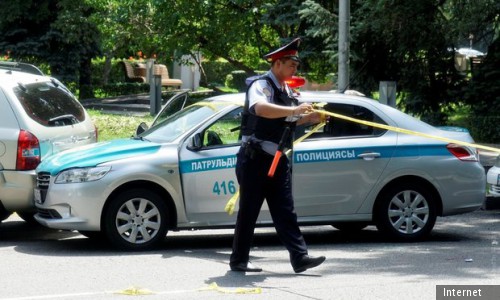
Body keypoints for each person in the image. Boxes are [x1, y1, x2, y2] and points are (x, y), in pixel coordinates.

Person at [229, 38, 326, 273]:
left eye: (296, 66)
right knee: (249, 211)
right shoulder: (261, 85)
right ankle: (239, 260)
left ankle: (299, 257)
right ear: (278, 63)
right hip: (255, 158)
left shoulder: (285, 89)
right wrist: (294, 110)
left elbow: (287, 120)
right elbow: (260, 109)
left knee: (285, 209)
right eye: (292, 65)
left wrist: (309, 118)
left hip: (277, 159)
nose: (295, 70)